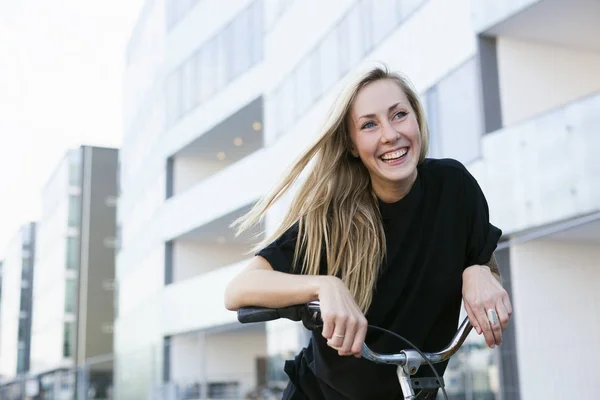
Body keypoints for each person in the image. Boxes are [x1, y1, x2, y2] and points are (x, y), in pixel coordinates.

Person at [224, 65, 513, 400]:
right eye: (369, 125)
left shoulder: (454, 187)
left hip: (416, 389)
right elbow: (238, 290)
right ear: (352, 144)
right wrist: (322, 285)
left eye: (399, 115)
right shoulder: (333, 219)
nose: (390, 134)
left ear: (417, 120)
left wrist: (478, 270)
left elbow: (485, 268)